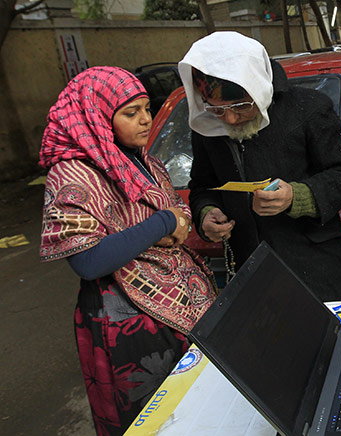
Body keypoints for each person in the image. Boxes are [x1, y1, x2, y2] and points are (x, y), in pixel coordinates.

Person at [39, 66, 218, 435]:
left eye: (146, 109)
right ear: (98, 115)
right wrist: (163, 225)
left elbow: (177, 212)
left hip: (184, 308)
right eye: (130, 113)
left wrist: (174, 222)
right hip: (128, 324)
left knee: (201, 412)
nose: (145, 120)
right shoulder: (72, 175)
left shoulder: (145, 162)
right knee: (155, 419)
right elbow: (89, 260)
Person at [178, 31, 341, 301]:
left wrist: (297, 196)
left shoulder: (308, 108)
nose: (229, 119)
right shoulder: (208, 128)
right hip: (255, 277)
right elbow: (202, 186)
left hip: (318, 271)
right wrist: (206, 213)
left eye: (240, 106)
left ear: (256, 87)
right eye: (217, 109)